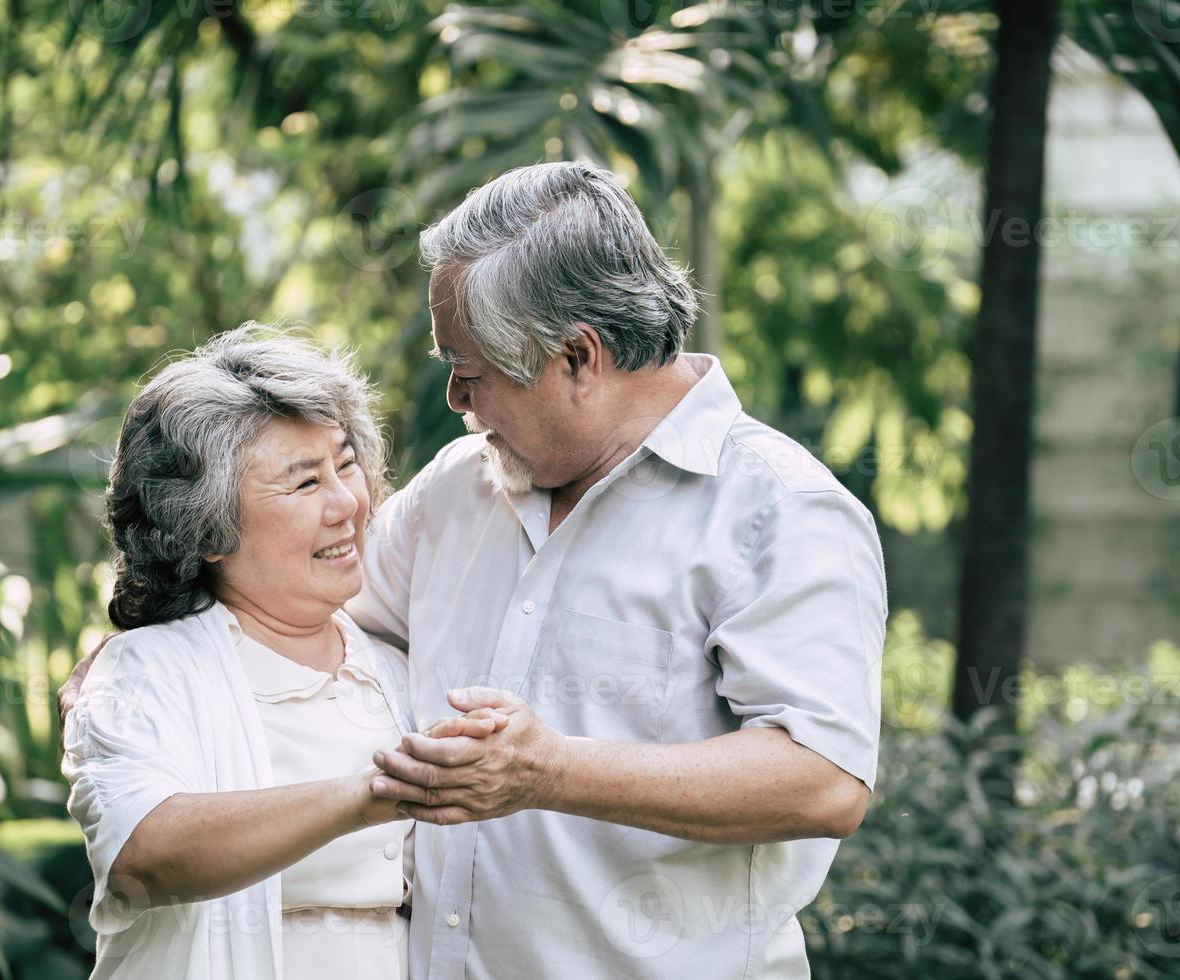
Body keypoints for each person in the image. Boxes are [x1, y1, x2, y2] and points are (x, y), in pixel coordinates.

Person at [350, 161, 889, 978]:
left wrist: (551, 770)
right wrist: (161, 638)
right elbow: (315, 614)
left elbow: (822, 781)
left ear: (578, 358)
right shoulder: (454, 490)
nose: (457, 400)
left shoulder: (780, 512)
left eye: (473, 373)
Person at [59, 326, 503, 979]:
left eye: (345, 464)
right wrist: (372, 795)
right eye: (303, 484)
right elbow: (140, 855)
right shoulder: (143, 671)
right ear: (205, 529)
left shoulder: (396, 673)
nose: (348, 504)